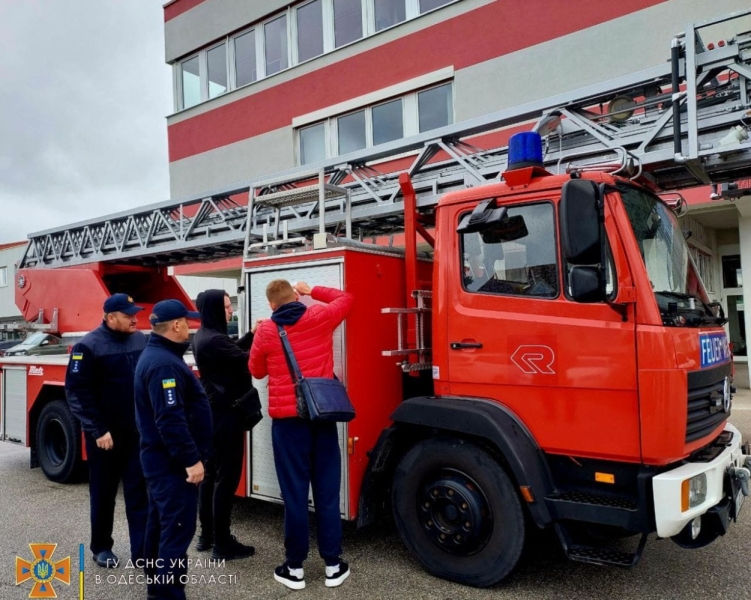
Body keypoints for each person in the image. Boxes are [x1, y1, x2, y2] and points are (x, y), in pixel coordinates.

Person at [249, 279, 354, 590]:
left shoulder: (267, 330)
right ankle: (333, 565)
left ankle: (294, 569)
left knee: (294, 496)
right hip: (322, 418)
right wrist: (312, 292)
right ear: (295, 297)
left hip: (288, 426)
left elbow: (256, 371)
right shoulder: (319, 316)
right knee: (327, 494)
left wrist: (259, 335)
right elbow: (346, 298)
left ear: (271, 304)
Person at [135, 300, 212, 600]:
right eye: (188, 322)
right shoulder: (164, 364)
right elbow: (169, 420)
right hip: (171, 465)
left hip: (161, 461)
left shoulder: (158, 355)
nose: (191, 327)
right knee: (177, 529)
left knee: (160, 523)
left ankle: (156, 584)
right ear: (176, 325)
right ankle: (166, 593)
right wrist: (191, 460)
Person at [65, 293, 149, 569]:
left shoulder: (141, 339)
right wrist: (98, 429)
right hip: (105, 437)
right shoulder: (87, 346)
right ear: (110, 317)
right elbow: (77, 392)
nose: (135, 318)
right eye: (128, 315)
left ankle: (143, 552)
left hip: (136, 432)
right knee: (104, 492)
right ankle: (101, 547)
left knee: (139, 492)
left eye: (134, 313)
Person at [192, 290, 259, 560]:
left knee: (210, 477)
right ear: (214, 309)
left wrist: (251, 334)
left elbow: (234, 351)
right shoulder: (214, 339)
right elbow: (247, 361)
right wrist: (264, 339)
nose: (231, 311)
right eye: (227, 307)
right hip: (225, 417)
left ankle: (207, 535)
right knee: (226, 479)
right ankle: (222, 543)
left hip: (213, 415)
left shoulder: (205, 335)